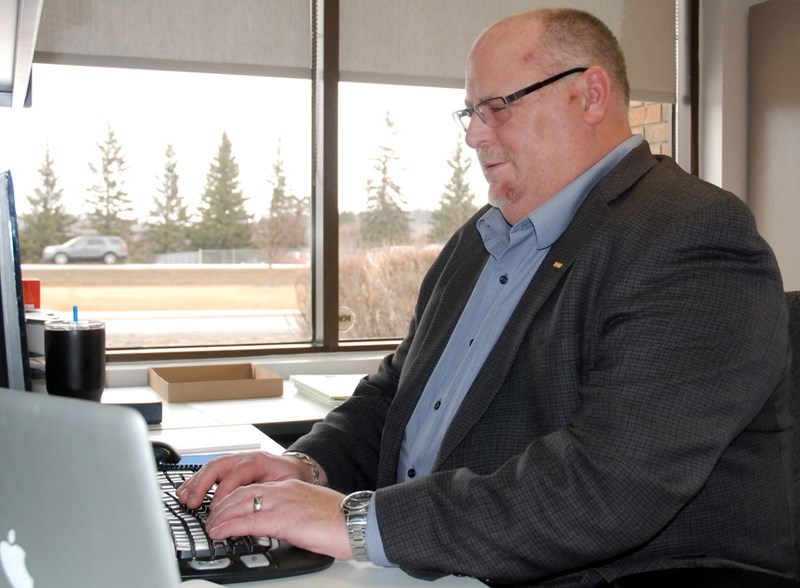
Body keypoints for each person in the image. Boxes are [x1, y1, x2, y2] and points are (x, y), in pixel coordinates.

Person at [177, 8, 796, 586]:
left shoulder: (690, 236)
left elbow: (606, 486)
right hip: (437, 564)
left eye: (497, 107)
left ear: (590, 95)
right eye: (469, 112)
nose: (474, 135)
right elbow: (397, 393)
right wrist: (308, 468)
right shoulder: (483, 239)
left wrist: (357, 524)